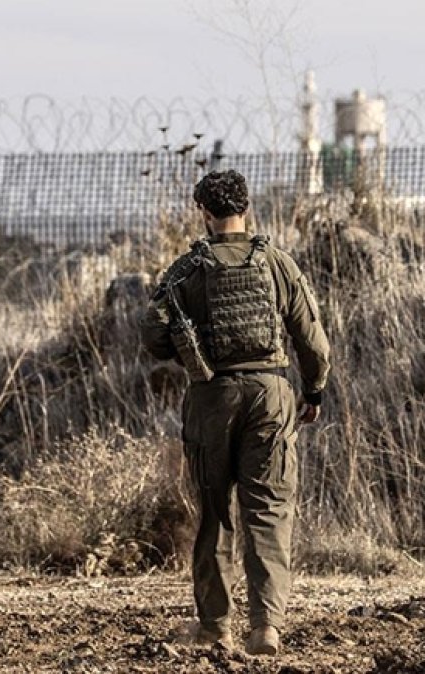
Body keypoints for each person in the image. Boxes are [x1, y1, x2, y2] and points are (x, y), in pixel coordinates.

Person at [140, 169, 331, 656]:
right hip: (270, 394)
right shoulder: (277, 263)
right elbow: (312, 341)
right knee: (268, 512)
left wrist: (187, 341)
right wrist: (313, 392)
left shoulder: (187, 269)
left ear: (204, 213)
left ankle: (214, 627)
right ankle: (266, 627)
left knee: (214, 513)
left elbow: (153, 336)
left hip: (211, 398)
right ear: (246, 208)